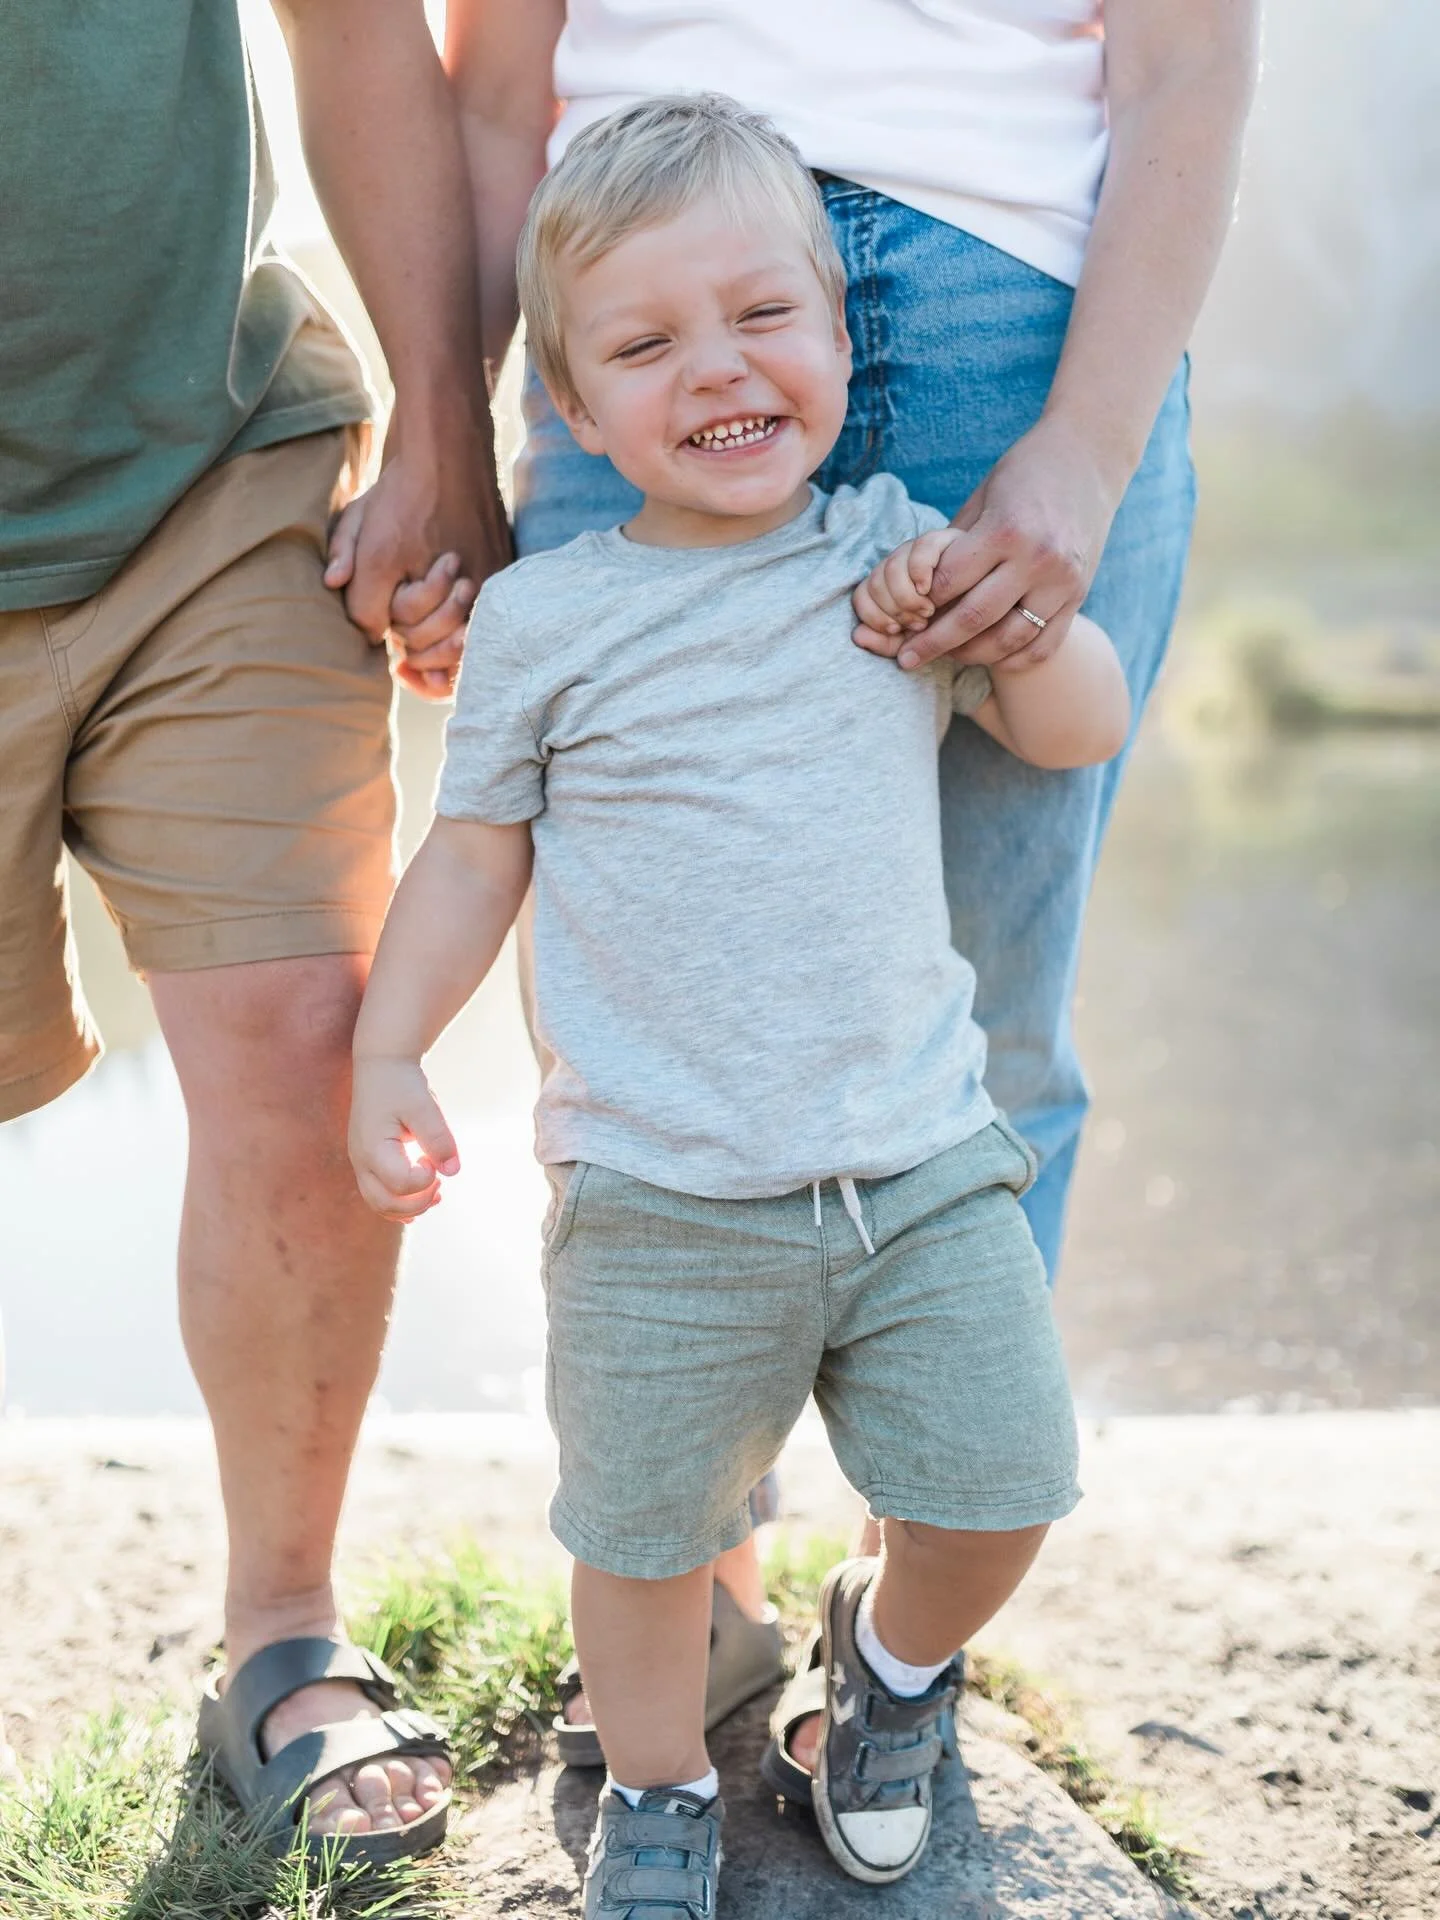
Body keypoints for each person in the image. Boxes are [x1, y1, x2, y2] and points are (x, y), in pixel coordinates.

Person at [441, 0, 1259, 1738]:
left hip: (1015, 302)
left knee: (994, 1042)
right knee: (648, 1040)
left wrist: (1086, 441)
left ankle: (906, 1642)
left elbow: (1188, 54)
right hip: (623, 267)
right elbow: (496, 78)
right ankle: (692, 1605)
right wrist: (455, 410)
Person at [348, 97, 1132, 1902]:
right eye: (646, 341)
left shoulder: (889, 553)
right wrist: (393, 1041)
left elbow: (1076, 733)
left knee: (1006, 1483)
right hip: (657, 1195)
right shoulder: (550, 620)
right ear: (573, 404)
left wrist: (1007, 622)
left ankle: (893, 1670)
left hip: (920, 1168)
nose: (719, 367)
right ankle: (654, 1794)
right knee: (638, 1541)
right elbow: (475, 857)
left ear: (842, 341)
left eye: (764, 316)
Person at [0, 0, 509, 1859]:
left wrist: (444, 433)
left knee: (317, 1045)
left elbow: (361, 25)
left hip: (215, 477)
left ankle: (281, 1637)